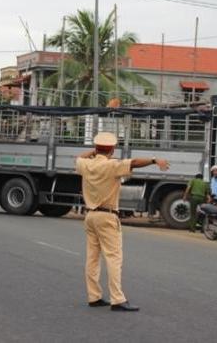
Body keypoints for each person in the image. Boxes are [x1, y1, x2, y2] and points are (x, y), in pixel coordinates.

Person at [76, 132, 169, 312]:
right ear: (112, 149)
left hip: (90, 216)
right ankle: (117, 299)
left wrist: (95, 151)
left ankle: (93, 296)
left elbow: (78, 157)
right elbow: (133, 163)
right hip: (107, 216)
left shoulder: (86, 164)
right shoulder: (112, 165)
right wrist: (154, 159)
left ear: (96, 148)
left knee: (92, 258)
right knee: (113, 258)